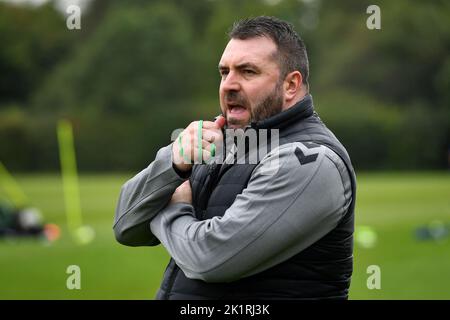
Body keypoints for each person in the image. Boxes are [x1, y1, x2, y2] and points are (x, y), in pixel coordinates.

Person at [114, 16, 356, 300]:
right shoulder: (220, 141)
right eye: (224, 72)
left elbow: (209, 259)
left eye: (247, 72)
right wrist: (172, 164)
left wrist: (173, 206)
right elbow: (126, 227)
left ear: (291, 85)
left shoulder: (310, 161)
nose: (228, 85)